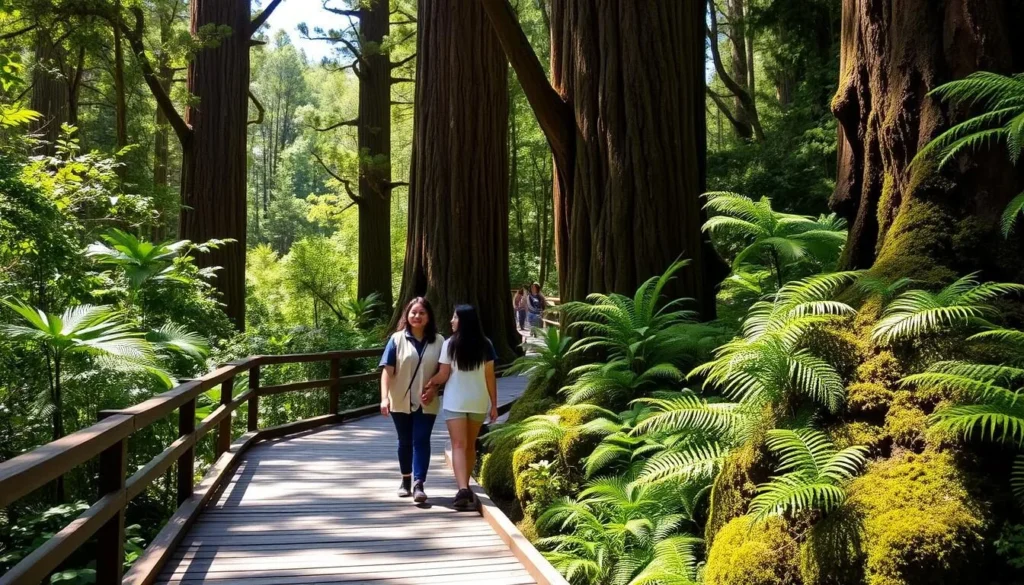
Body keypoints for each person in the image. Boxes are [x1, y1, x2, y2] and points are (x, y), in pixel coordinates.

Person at [426, 305, 498, 510]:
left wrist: (429, 384)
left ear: (463, 321)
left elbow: (443, 375)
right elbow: (489, 376)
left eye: (455, 317)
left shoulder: (450, 344)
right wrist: (494, 404)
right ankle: (464, 486)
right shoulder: (486, 345)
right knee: (469, 445)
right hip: (478, 401)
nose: (451, 320)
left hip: (455, 401)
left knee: (458, 444)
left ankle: (462, 488)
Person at [379, 297, 445, 504]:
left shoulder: (439, 341)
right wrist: (384, 398)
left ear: (429, 316)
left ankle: (419, 484)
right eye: (413, 313)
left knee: (422, 439)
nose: (417, 316)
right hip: (400, 399)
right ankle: (405, 479)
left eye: (421, 313)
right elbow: (387, 372)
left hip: (427, 400)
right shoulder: (396, 339)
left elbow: (444, 371)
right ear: (407, 315)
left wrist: (434, 388)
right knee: (405, 441)